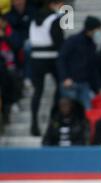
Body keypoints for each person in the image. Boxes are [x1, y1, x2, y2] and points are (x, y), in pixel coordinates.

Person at [28, 0, 64, 136]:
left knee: (38, 91)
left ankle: (34, 123)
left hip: (35, 58)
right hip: (51, 57)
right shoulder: (54, 19)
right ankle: (53, 118)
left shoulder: (33, 20)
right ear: (52, 4)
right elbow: (58, 42)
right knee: (60, 87)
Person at [57, 16, 101, 109]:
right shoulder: (73, 41)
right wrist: (65, 77)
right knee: (71, 110)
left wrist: (97, 87)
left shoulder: (92, 44)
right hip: (70, 83)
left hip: (84, 84)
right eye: (98, 29)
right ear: (92, 29)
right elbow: (62, 59)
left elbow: (93, 67)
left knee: (87, 110)